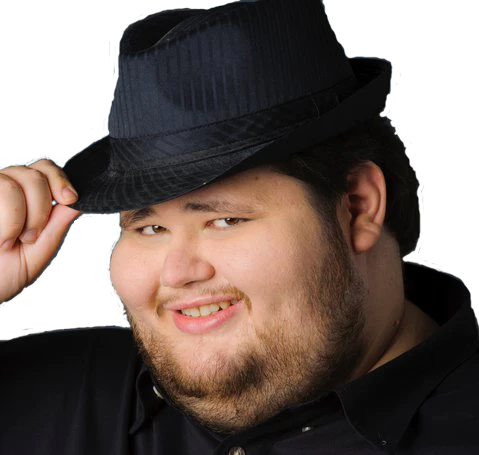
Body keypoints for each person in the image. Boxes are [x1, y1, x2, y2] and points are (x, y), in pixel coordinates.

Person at [1, 1, 478, 454]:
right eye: (149, 229)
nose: (177, 272)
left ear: (358, 207)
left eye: (224, 220)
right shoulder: (58, 398)